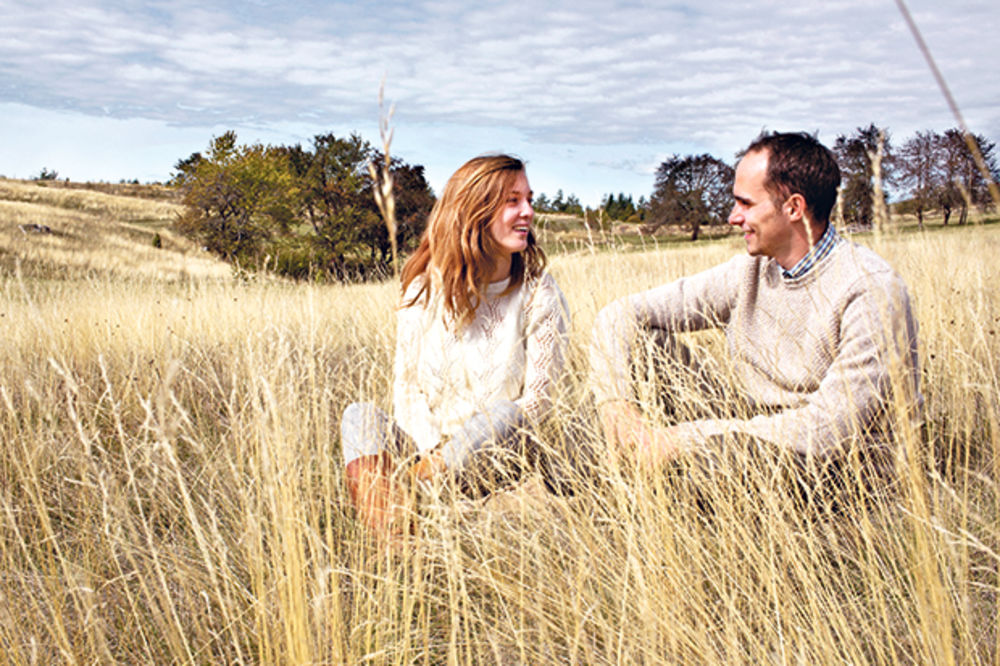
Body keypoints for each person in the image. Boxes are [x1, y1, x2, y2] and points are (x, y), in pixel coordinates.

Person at [590, 132, 921, 487]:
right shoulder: (750, 271)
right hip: (748, 430)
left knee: (714, 460)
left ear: (794, 208)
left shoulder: (870, 289)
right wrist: (617, 407)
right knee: (639, 350)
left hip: (834, 468)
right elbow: (619, 314)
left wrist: (677, 439)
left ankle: (608, 497)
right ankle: (560, 487)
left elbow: (827, 429)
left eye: (745, 204)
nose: (733, 217)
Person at [341, 154, 570, 535]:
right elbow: (407, 389)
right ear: (474, 209)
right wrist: (434, 450)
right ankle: (395, 546)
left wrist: (459, 452)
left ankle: (408, 497)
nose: (528, 211)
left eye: (529, 198)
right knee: (358, 415)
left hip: (499, 457)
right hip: (423, 450)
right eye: (512, 201)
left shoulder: (539, 292)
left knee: (506, 412)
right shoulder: (423, 289)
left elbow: (537, 405)